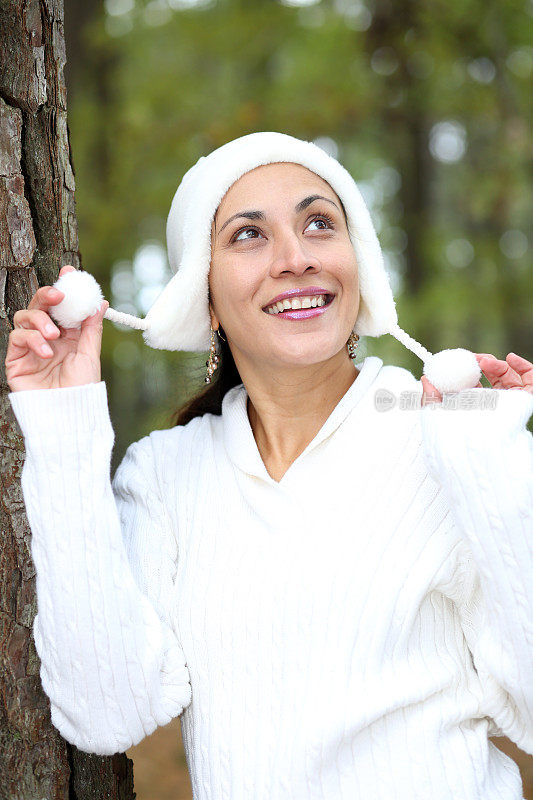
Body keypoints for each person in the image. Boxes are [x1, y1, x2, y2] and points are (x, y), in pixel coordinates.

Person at [5, 131, 533, 800]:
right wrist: (63, 427)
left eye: (319, 223)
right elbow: (108, 713)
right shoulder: (166, 474)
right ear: (203, 297)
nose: (295, 258)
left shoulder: (453, 439)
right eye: (248, 235)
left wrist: (491, 471)